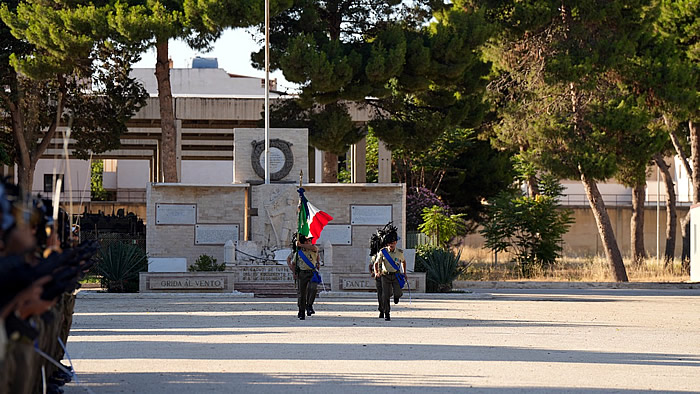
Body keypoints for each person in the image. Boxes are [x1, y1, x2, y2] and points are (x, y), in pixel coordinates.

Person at [373, 224, 407, 321]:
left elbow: (403, 262)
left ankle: (396, 297)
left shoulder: (399, 252)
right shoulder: (383, 252)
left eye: (394, 242)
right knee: (385, 295)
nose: (392, 245)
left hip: (396, 275)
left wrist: (404, 273)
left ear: (396, 243)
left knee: (398, 293)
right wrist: (376, 273)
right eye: (390, 243)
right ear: (387, 243)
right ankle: (387, 313)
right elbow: (376, 263)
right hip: (385, 275)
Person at [291, 235, 320, 320]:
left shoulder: (314, 249)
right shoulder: (298, 252)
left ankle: (309, 305)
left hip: (312, 272)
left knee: (313, 288)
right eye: (307, 241)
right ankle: (301, 311)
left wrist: (300, 245)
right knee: (302, 293)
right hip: (302, 273)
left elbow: (314, 248)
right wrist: (294, 273)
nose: (309, 242)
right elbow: (293, 263)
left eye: (309, 241)